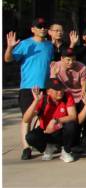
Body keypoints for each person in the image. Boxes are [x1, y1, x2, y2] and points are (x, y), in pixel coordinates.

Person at [6, 19, 55, 160]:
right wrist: (10, 47)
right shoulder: (24, 44)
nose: (42, 29)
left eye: (45, 26)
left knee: (43, 117)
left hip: (45, 88)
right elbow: (8, 59)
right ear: (33, 29)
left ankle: (39, 141)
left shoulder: (49, 45)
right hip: (28, 88)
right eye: (39, 27)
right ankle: (26, 148)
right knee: (27, 118)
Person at [23, 79, 79, 162]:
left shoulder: (67, 96)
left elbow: (73, 116)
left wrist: (54, 121)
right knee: (30, 137)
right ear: (48, 92)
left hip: (61, 131)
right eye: (56, 90)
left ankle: (66, 152)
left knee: (71, 125)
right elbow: (26, 119)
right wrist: (35, 101)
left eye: (61, 88)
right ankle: (47, 148)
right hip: (47, 131)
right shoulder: (42, 99)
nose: (59, 92)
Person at [49, 47, 86, 111]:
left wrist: (83, 101)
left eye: (73, 59)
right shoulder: (56, 66)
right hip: (63, 96)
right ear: (62, 59)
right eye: (68, 60)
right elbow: (52, 85)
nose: (71, 62)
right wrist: (54, 74)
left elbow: (84, 86)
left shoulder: (82, 68)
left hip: (78, 97)